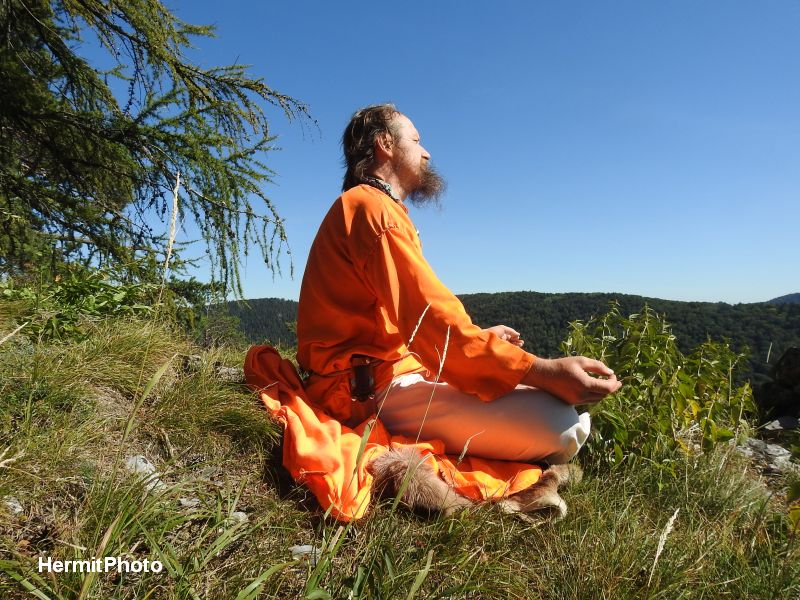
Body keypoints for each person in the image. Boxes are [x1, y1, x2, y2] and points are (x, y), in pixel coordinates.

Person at [296, 103, 621, 465]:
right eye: (416, 140)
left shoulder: (371, 208)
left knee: (546, 402)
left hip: (388, 375)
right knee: (558, 422)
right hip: (361, 393)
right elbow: (432, 319)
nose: (426, 152)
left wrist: (483, 340)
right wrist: (539, 369)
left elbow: (412, 324)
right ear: (385, 143)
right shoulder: (372, 211)